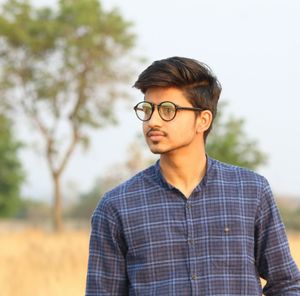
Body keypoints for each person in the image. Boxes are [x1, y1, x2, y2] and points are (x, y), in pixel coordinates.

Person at [85, 57, 300, 295]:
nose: (152, 121)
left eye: (168, 110)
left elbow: (286, 284)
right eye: (147, 109)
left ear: (203, 120)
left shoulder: (250, 192)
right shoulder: (117, 206)